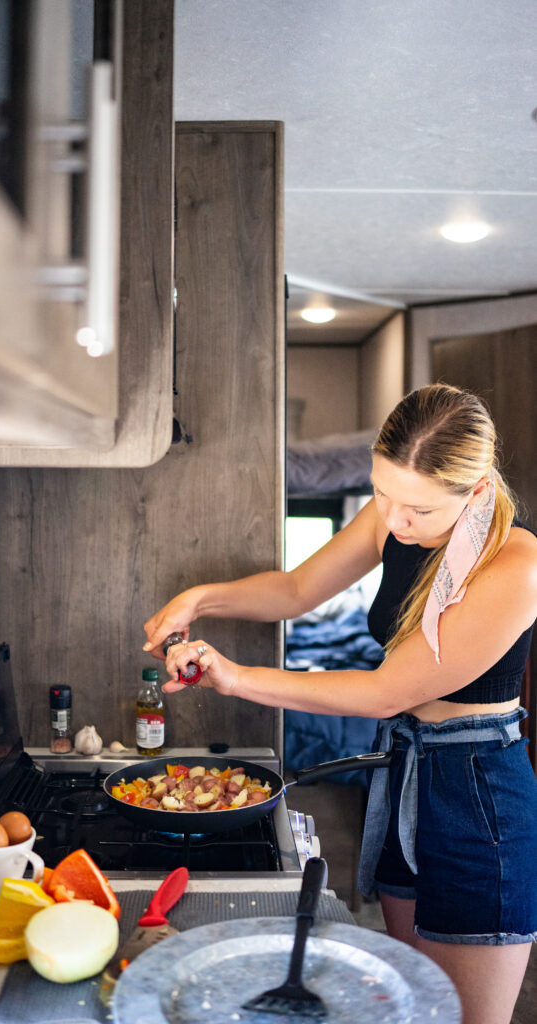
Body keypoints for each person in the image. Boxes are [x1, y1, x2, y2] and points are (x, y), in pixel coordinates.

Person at [143, 383, 537, 1024]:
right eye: (382, 493)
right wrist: (201, 598)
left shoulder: (516, 566)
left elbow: (386, 692)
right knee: (413, 1001)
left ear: (476, 491)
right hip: (407, 768)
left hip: (478, 796)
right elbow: (299, 588)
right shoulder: (397, 510)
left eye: (418, 510)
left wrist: (237, 677)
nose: (396, 521)